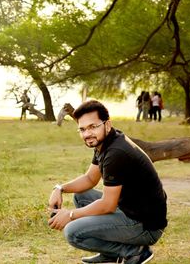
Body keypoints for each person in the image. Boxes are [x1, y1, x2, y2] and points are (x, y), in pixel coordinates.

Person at [48, 100, 167, 264]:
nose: (87, 134)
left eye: (93, 127)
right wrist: (59, 188)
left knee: (72, 232)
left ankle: (134, 252)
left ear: (107, 124)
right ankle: (110, 254)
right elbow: (90, 178)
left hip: (146, 225)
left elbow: (108, 204)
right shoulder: (105, 142)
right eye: (82, 129)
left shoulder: (116, 153)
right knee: (81, 196)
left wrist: (69, 215)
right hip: (129, 208)